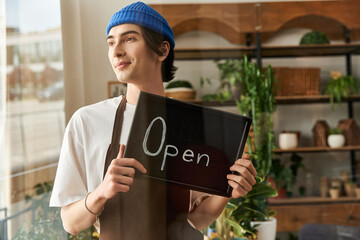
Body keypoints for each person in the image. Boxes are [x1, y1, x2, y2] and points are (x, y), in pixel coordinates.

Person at [50, 1, 257, 239]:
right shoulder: (87, 122)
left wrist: (229, 189)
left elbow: (196, 220)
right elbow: (70, 224)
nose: (116, 50)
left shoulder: (192, 125)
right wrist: (102, 191)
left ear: (162, 50)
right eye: (110, 42)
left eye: (129, 39)